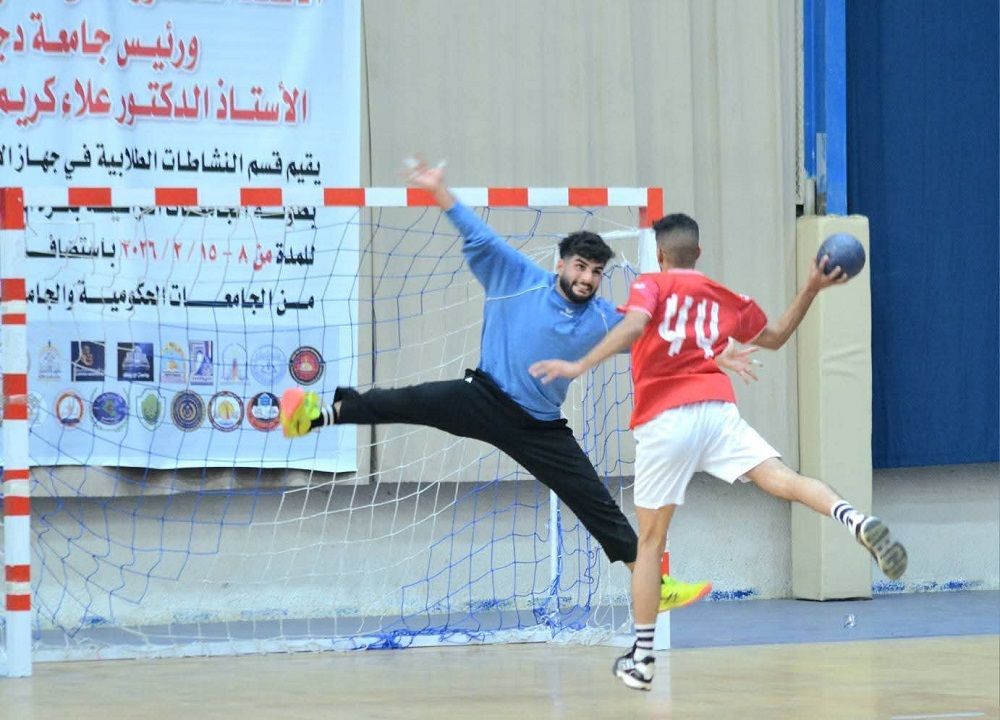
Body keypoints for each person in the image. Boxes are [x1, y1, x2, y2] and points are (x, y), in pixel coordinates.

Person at [280, 159, 745, 612]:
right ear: (561, 264)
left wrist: (714, 352)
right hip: (484, 398)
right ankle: (315, 416)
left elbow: (662, 338)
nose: (587, 278)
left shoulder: (605, 318)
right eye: (580, 266)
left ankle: (654, 586)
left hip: (539, 427)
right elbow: (478, 234)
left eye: (596, 272)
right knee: (409, 400)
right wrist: (440, 192)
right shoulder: (517, 277)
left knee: (594, 500)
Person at [529, 212, 908, 691]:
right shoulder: (725, 297)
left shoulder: (650, 285)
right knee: (784, 480)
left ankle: (642, 659)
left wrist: (579, 364)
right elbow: (776, 337)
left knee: (649, 545)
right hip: (716, 411)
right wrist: (812, 287)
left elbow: (635, 327)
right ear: (699, 254)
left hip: (665, 419)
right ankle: (854, 518)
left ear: (660, 255)